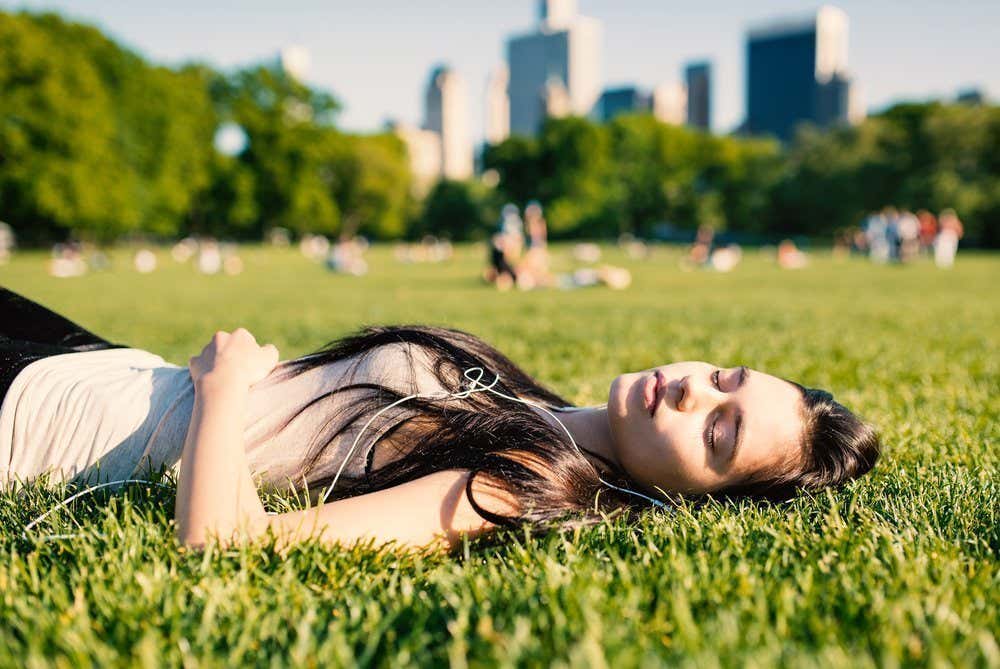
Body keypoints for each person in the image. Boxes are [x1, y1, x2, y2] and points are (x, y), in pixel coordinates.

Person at [1, 288, 880, 552]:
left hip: (38, 421)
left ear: (704, 498)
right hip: (92, 363)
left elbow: (228, 542)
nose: (693, 390)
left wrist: (227, 384)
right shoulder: (525, 402)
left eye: (719, 432)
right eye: (723, 376)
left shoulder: (513, 485)